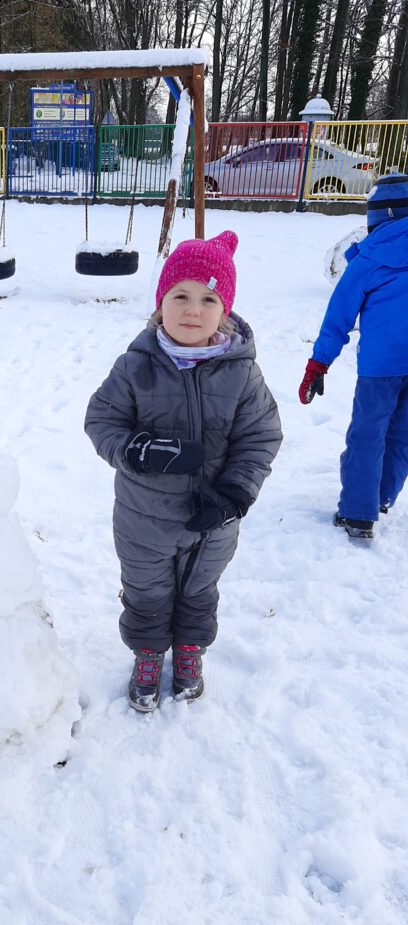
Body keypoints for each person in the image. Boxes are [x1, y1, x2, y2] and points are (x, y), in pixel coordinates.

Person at [85, 231, 282, 712]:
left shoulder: (241, 373)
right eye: (180, 296)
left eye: (208, 298)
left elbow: (260, 436)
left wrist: (236, 492)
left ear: (225, 310)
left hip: (213, 521)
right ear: (160, 305)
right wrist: (134, 449)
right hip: (142, 518)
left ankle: (190, 650)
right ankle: (149, 653)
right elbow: (102, 420)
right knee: (146, 591)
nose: (192, 310)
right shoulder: (136, 366)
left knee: (198, 590)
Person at [299, 172, 408, 541]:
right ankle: (380, 498)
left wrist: (319, 363)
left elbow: (338, 318)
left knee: (368, 434)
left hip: (380, 368)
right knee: (403, 434)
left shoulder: (368, 259)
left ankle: (359, 514)